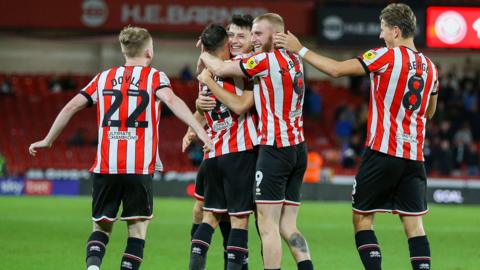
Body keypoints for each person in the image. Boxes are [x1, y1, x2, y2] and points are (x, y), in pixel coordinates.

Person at [29, 26, 211, 270]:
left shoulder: (103, 78)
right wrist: (199, 130)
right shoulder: (155, 77)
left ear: (124, 50)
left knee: (101, 227)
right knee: (137, 229)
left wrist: (48, 139)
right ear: (149, 52)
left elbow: (70, 107)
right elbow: (170, 100)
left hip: (106, 165)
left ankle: (93, 267)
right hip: (137, 166)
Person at [274, 3, 439, 270]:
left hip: (383, 152)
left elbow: (337, 70)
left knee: (362, 219)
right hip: (414, 157)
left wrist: (300, 49)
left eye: (383, 29)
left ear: (396, 31)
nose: (380, 35)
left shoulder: (385, 56)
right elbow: (430, 112)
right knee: (414, 225)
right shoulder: (431, 68)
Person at [200, 13, 314, 270]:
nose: (253, 38)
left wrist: (205, 52)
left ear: (276, 35)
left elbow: (218, 69)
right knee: (288, 225)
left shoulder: (263, 61)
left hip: (275, 150)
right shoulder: (295, 60)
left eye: (258, 33)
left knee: (268, 227)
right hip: (298, 147)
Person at [183, 14, 255, 270]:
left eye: (241, 36)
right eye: (231, 35)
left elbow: (206, 80)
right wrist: (196, 117)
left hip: (218, 153)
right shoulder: (240, 67)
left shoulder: (218, 67)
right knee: (237, 221)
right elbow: (239, 106)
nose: (235, 41)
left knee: (210, 216)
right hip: (238, 153)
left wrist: (203, 55)